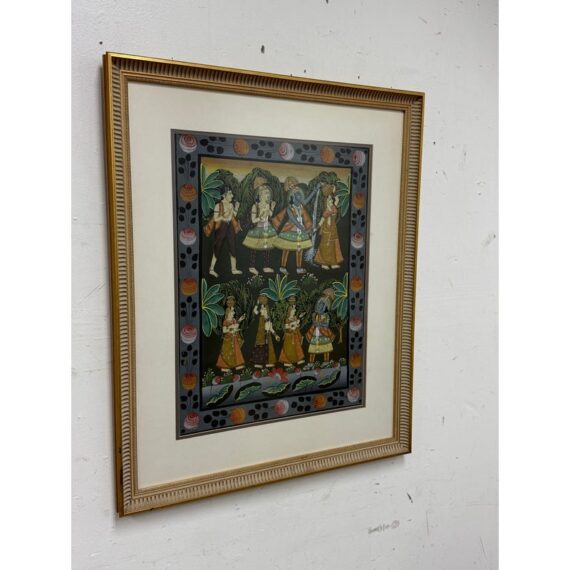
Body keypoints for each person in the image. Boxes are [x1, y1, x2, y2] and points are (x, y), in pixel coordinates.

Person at [272, 177, 317, 275]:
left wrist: (314, 191)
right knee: (286, 249)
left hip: (300, 232)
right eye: (297, 195)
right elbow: (293, 220)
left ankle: (299, 268)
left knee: (299, 249)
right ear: (292, 197)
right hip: (291, 230)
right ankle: (283, 267)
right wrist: (302, 228)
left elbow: (308, 200)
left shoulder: (301, 206)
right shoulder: (289, 208)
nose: (299, 197)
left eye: (300, 195)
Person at [242, 177, 277, 274]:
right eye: (266, 193)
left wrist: (272, 208)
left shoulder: (268, 205)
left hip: (267, 228)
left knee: (267, 248)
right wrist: (260, 217)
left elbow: (270, 215)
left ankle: (266, 266)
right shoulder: (255, 206)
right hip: (257, 229)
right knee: (254, 248)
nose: (268, 195)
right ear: (260, 194)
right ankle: (252, 266)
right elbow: (253, 220)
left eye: (268, 193)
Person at [205, 187, 242, 277]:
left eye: (231, 194)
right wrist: (223, 217)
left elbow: (233, 215)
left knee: (232, 246)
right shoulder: (219, 205)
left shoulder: (231, 205)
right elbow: (215, 218)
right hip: (221, 227)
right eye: (230, 194)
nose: (232, 196)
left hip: (230, 227)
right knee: (217, 247)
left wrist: (236, 208)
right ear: (224, 195)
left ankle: (234, 269)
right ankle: (211, 269)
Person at [314, 184, 344, 269]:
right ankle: (323, 263)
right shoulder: (326, 211)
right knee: (325, 247)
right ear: (326, 201)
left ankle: (333, 263)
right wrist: (316, 228)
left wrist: (333, 190)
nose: (331, 201)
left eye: (331, 199)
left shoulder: (333, 207)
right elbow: (322, 221)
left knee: (333, 246)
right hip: (326, 230)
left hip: (333, 229)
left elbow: (337, 199)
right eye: (329, 199)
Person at [216, 296, 246, 372]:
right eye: (232, 312)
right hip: (228, 339)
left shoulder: (233, 320)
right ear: (228, 313)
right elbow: (224, 330)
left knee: (236, 352)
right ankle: (225, 366)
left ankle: (237, 365)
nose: (234, 313)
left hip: (234, 338)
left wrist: (240, 320)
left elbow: (236, 325)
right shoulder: (226, 321)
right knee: (227, 352)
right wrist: (231, 328)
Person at [306, 288, 336, 362]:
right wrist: (317, 322)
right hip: (316, 333)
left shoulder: (326, 315)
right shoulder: (315, 314)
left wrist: (321, 323)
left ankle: (326, 362)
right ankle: (311, 362)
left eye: (322, 305)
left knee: (326, 348)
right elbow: (314, 322)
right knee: (313, 348)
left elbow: (326, 324)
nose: (320, 306)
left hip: (324, 333)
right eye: (319, 304)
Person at [250, 294, 280, 368]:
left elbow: (271, 328)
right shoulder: (259, 317)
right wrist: (257, 303)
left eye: (266, 310)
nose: (265, 311)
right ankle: (258, 363)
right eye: (263, 310)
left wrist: (276, 335)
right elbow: (254, 311)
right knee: (259, 348)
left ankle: (268, 362)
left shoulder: (268, 319)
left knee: (268, 349)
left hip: (267, 336)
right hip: (260, 335)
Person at [278, 295, 305, 365]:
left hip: (295, 334)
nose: (293, 312)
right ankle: (287, 361)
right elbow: (287, 327)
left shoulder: (294, 318)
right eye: (292, 311)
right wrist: (291, 328)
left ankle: (298, 359)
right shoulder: (287, 319)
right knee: (289, 348)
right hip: (289, 336)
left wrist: (298, 321)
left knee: (297, 347)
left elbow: (297, 323)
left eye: (294, 311)